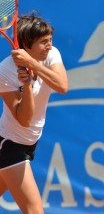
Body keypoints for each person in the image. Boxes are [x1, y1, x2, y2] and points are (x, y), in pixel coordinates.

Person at [0, 12, 68, 214]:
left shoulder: (51, 54)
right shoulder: (4, 71)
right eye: (43, 42)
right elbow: (24, 119)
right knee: (34, 210)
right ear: (27, 45)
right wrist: (26, 85)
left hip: (31, 142)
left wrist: (33, 65)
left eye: (50, 40)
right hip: (10, 144)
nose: (49, 45)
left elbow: (62, 86)